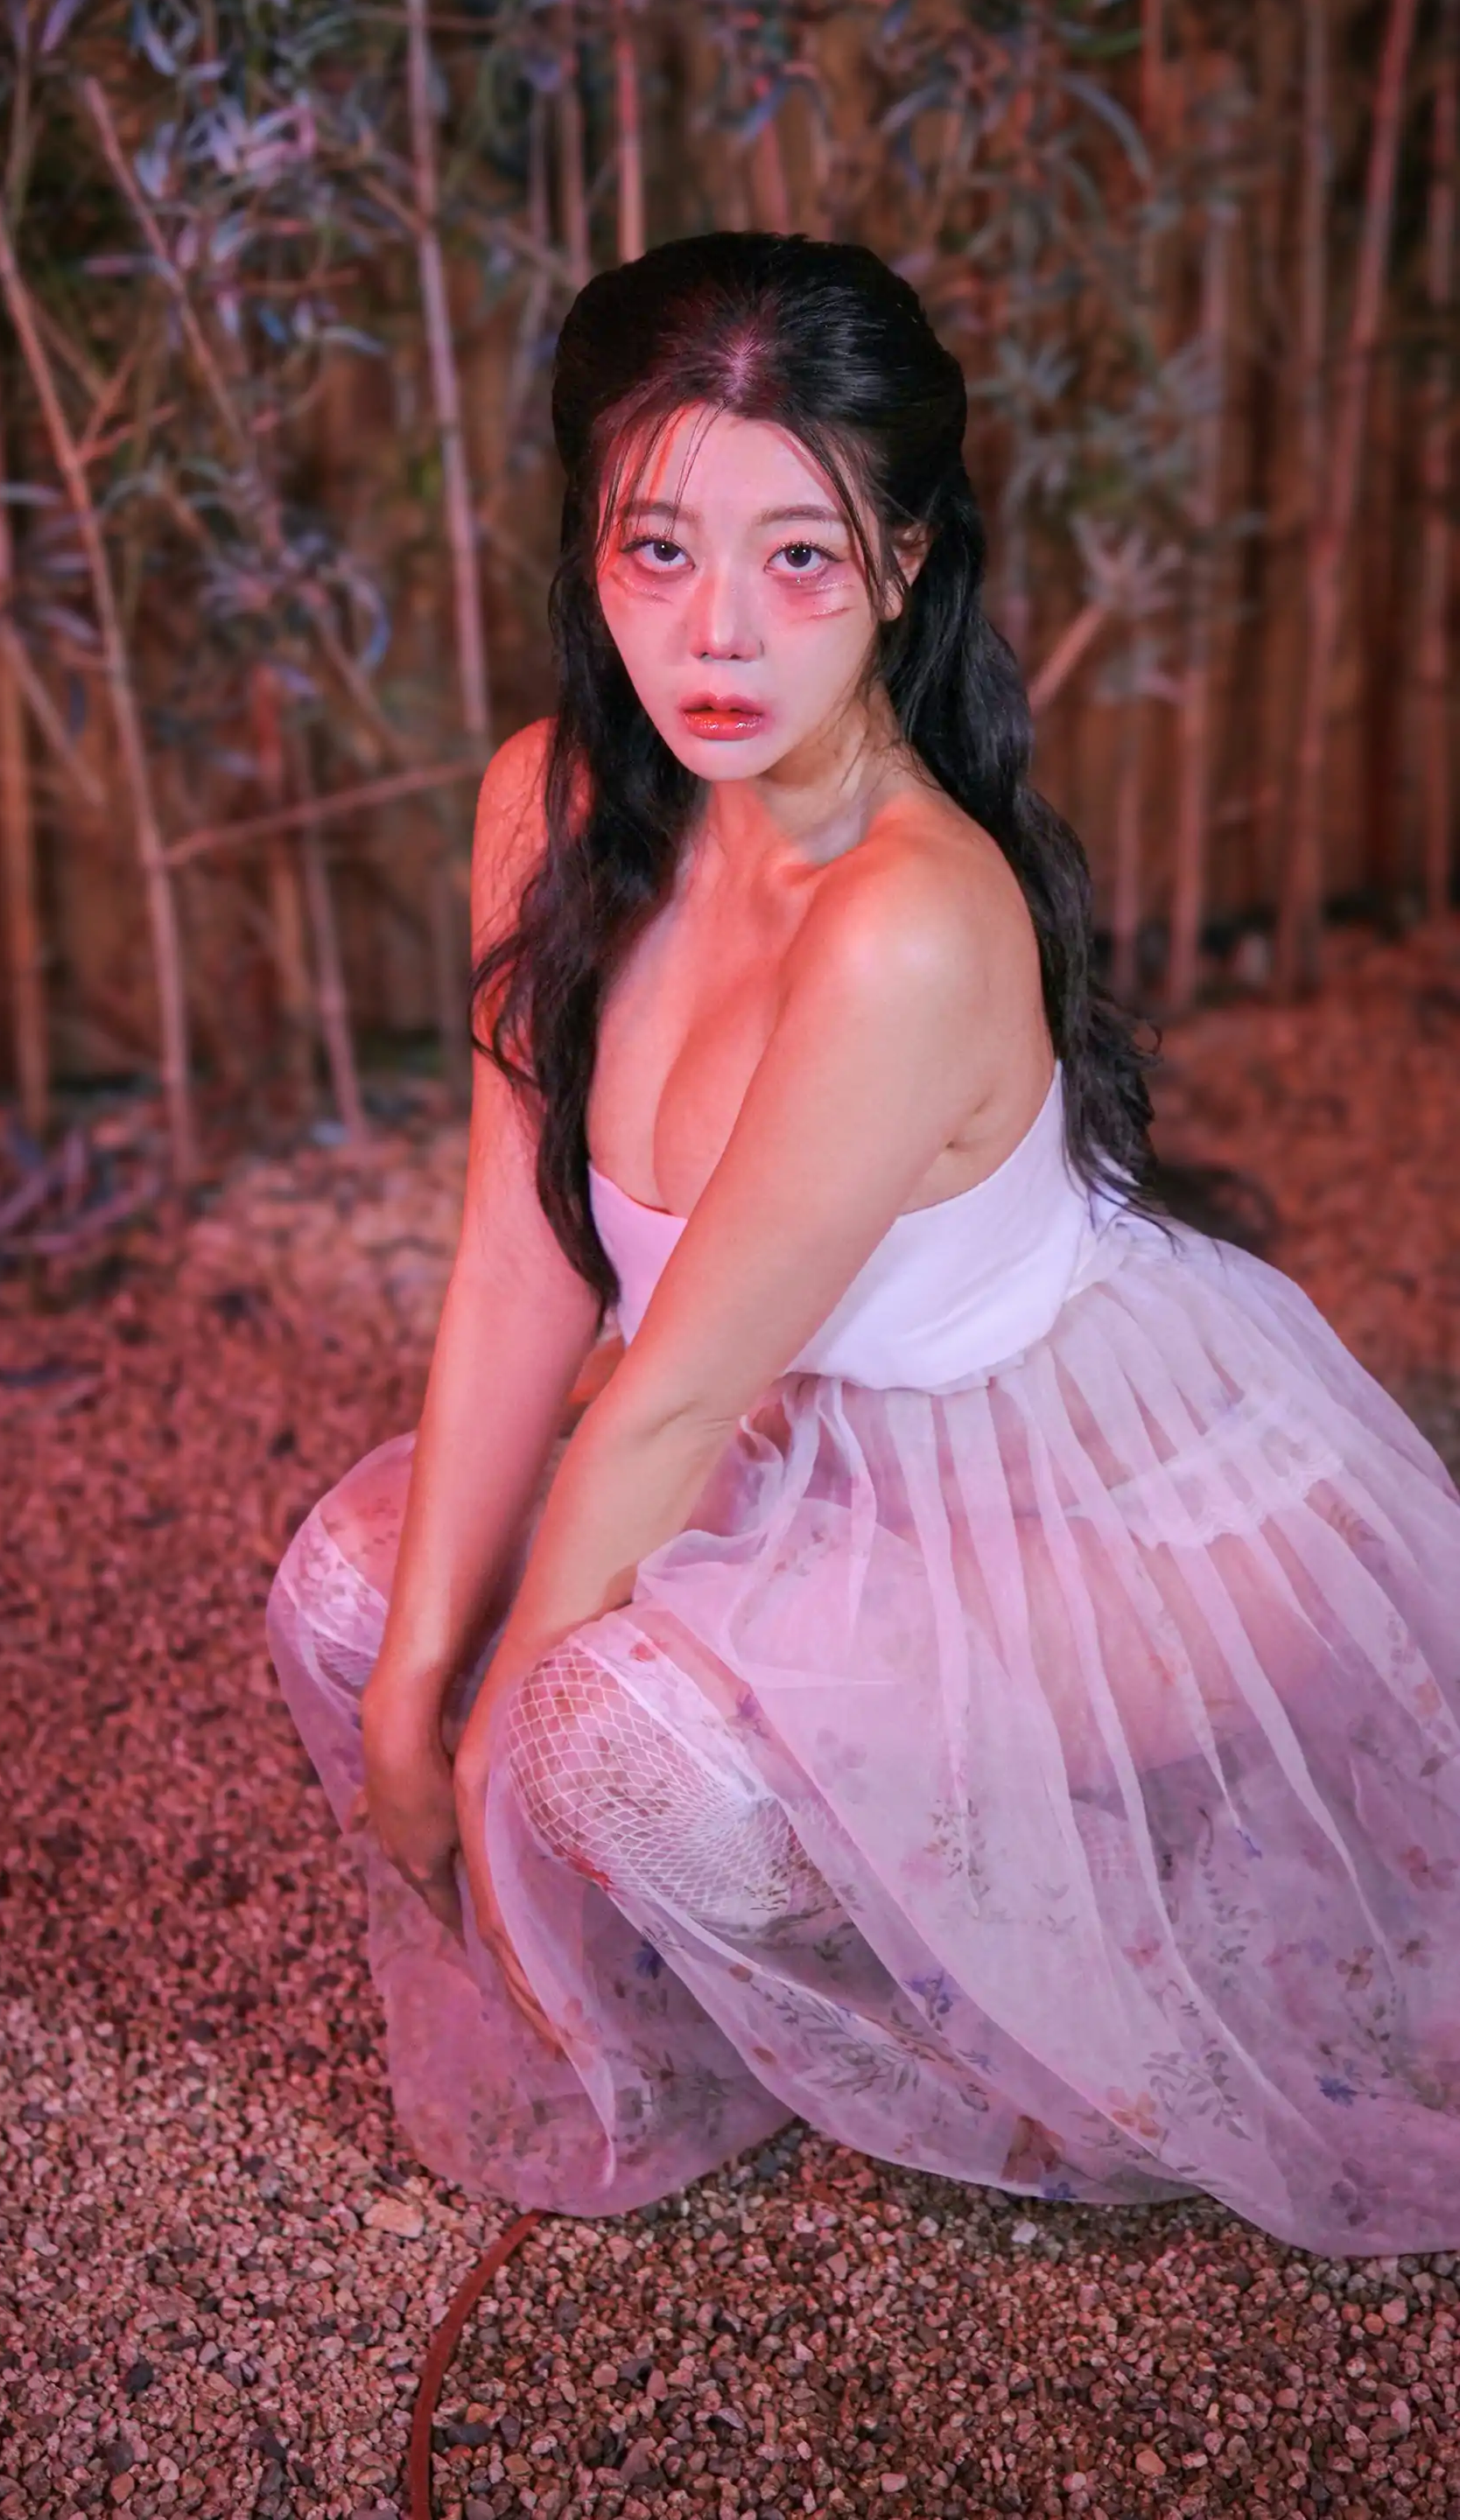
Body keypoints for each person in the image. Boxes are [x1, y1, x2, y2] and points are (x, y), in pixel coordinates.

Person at [267, 231, 1460, 2251]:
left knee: (596, 1746)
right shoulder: (550, 806)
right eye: (660, 551)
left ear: (904, 563)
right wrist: (403, 1693)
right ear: (588, 549)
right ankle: (779, 1915)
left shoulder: (906, 915)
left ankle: (972, 1953)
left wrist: (476, 1767)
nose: (719, 632)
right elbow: (519, 1262)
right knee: (349, 1599)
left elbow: (664, 1408)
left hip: (1065, 1522)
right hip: (758, 1456)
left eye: (799, 557)